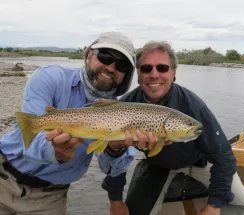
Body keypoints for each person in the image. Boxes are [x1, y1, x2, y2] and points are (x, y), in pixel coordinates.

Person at [0, 32, 157, 215]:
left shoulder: (120, 112)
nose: (111, 67)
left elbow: (111, 169)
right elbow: (27, 141)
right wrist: (55, 151)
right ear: (89, 55)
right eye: (105, 57)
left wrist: (115, 149)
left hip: (51, 198)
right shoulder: (49, 77)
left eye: (121, 65)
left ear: (126, 74)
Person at [102, 41, 244, 215]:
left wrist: (214, 205)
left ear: (173, 73)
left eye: (162, 68)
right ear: (138, 74)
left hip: (201, 164)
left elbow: (224, 158)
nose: (154, 75)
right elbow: (114, 159)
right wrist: (115, 199)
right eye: (146, 68)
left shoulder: (194, 106)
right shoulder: (126, 105)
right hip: (159, 166)